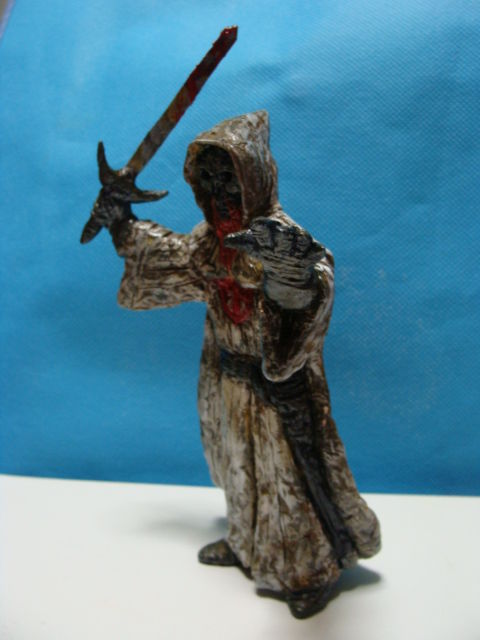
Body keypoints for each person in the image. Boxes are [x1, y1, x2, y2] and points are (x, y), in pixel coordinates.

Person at [105, 110, 380, 618]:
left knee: (286, 479)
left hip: (277, 392)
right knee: (239, 470)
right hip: (227, 379)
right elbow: (166, 257)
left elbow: (312, 284)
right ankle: (246, 544)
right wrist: (120, 220)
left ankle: (306, 570)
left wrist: (291, 280)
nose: (220, 193)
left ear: (253, 176)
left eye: (229, 178)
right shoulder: (209, 242)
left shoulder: (282, 240)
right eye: (208, 180)